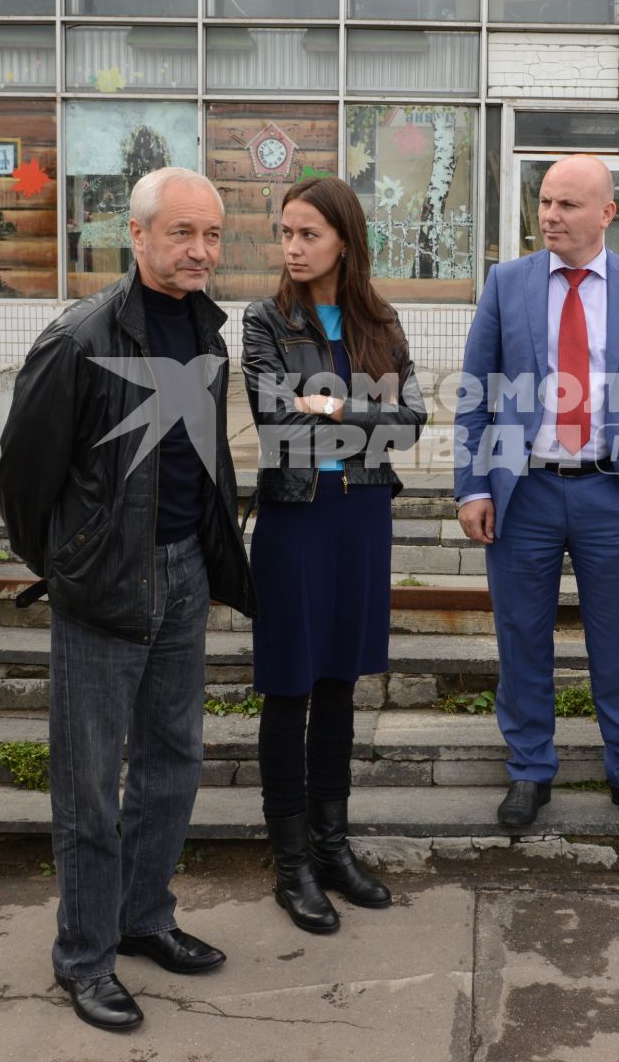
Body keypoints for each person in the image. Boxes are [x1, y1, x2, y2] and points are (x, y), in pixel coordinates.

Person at [0, 167, 257, 1034]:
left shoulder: (210, 335)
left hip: (183, 577)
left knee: (173, 763)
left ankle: (145, 920)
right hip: (104, 588)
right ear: (136, 236)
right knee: (88, 789)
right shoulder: (79, 339)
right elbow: (20, 478)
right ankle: (84, 957)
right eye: (182, 233)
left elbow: (201, 458)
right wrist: (71, 561)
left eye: (211, 235)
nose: (200, 251)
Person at [454, 153, 619, 835]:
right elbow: (476, 393)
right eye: (545, 202)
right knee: (520, 636)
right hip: (523, 492)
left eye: (566, 205)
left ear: (606, 213)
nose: (549, 215)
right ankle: (529, 771)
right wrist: (473, 486)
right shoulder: (508, 283)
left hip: (611, 494)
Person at [241, 176, 427, 934]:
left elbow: (410, 422)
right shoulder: (262, 320)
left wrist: (336, 405)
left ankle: (332, 847)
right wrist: (352, 415)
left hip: (360, 516)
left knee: (341, 684)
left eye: (308, 233)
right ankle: (290, 865)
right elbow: (274, 419)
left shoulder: (379, 322)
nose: (292, 246)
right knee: (289, 690)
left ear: (344, 240)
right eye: (285, 232)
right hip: (295, 518)